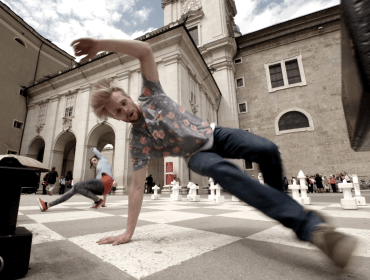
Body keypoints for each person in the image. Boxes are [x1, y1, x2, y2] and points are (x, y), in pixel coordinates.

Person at [72, 37, 357, 269]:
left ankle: (279, 203)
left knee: (267, 149)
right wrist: (128, 232)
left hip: (215, 133)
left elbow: (144, 50)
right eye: (118, 111)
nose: (126, 110)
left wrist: (99, 45)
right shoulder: (138, 141)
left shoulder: (150, 94)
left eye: (124, 102)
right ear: (116, 118)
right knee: (223, 171)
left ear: (129, 96)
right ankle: (313, 229)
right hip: (196, 155)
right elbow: (136, 187)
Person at [38, 147, 114, 211]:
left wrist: (92, 148)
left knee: (77, 185)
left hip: (104, 183)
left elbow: (97, 153)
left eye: (94, 160)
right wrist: (104, 203)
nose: (93, 162)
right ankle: (48, 205)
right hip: (103, 187)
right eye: (92, 162)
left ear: (98, 159)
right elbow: (105, 187)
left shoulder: (103, 159)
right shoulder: (99, 173)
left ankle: (97, 200)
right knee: (75, 189)